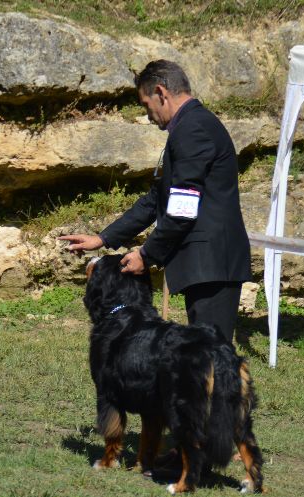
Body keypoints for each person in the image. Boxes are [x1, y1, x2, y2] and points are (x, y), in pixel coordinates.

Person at [60, 59, 251, 344]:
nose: (148, 115)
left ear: (161, 92)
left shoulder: (192, 129)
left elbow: (182, 209)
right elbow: (157, 199)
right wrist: (103, 238)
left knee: (212, 362)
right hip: (207, 264)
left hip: (212, 264)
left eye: (146, 104)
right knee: (205, 361)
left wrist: (147, 255)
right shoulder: (190, 127)